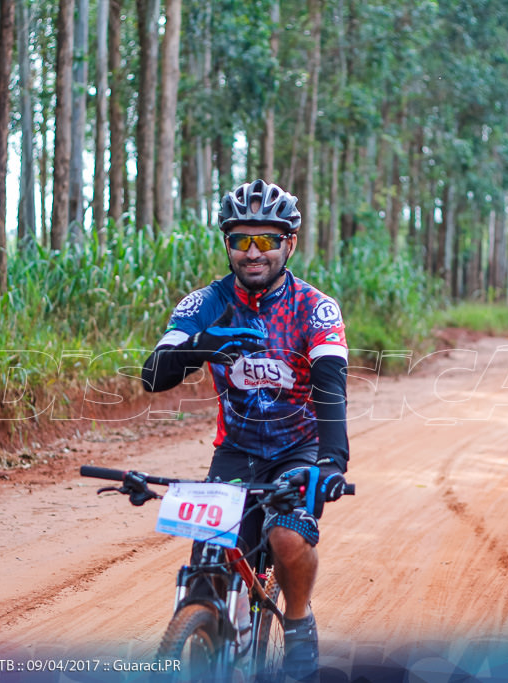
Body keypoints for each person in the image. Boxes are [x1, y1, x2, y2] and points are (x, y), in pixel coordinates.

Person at [141, 179, 350, 680]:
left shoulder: (314, 308)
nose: (253, 253)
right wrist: (204, 344)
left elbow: (330, 388)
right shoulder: (205, 304)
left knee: (284, 536)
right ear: (227, 244)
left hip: (297, 450)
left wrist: (332, 462)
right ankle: (206, 633)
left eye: (266, 240)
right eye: (241, 241)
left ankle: (296, 625)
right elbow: (153, 374)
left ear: (289, 244)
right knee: (207, 568)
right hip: (234, 452)